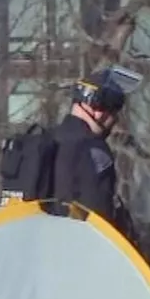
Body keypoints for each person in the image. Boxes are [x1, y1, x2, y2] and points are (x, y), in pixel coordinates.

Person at [51, 68, 137, 238]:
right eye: (114, 112)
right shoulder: (93, 150)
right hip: (78, 251)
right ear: (100, 111)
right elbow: (99, 216)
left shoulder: (52, 139)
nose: (115, 120)